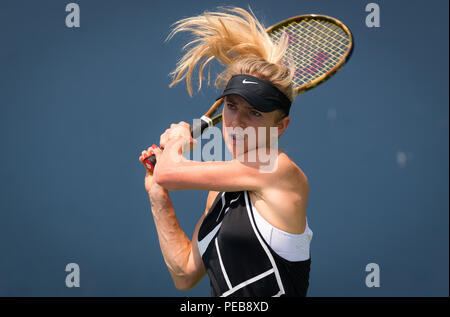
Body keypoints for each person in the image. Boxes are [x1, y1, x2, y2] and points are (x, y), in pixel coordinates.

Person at [138, 7, 312, 297]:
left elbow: (171, 172)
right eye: (231, 106)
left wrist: (179, 140)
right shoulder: (218, 194)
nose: (237, 122)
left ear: (280, 126)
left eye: (254, 112)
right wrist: (157, 192)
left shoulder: (279, 171)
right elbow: (184, 273)